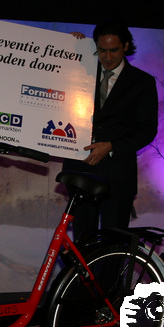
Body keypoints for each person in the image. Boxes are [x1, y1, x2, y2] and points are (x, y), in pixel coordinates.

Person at [65, 19, 158, 238]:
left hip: (118, 176)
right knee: (83, 242)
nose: (107, 57)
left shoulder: (142, 82)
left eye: (113, 50)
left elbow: (147, 130)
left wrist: (111, 146)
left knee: (113, 243)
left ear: (126, 46)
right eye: (102, 50)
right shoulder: (79, 71)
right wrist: (67, 48)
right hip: (80, 170)